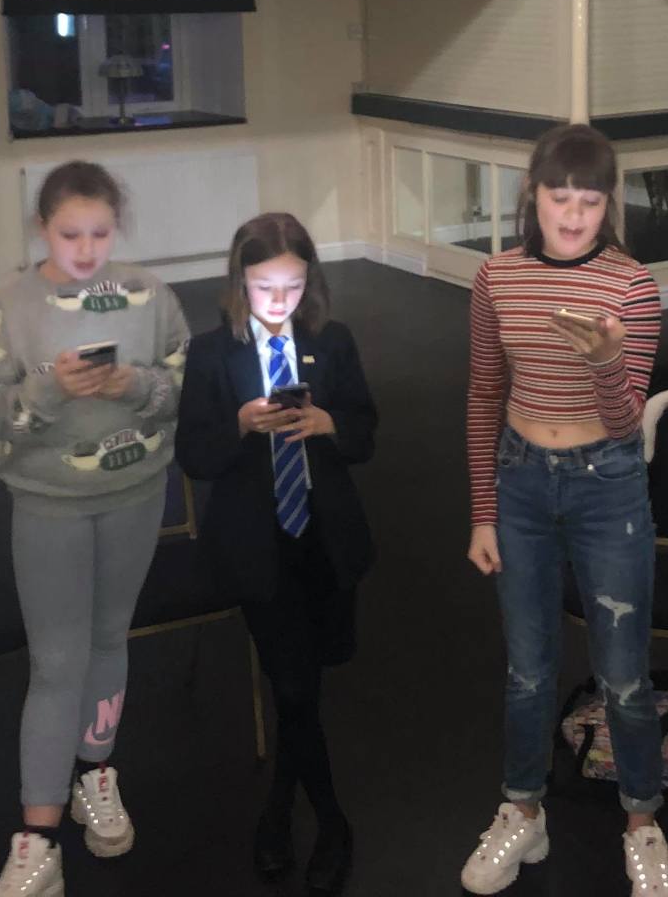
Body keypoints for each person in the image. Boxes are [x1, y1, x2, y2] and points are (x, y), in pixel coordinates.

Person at [457, 123, 668, 897]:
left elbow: (625, 424)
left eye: (590, 201)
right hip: (520, 480)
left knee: (623, 676)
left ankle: (642, 823)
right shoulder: (497, 278)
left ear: (609, 204)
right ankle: (523, 810)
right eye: (561, 198)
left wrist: (606, 360)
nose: (575, 215)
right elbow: (484, 392)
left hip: (606, 483)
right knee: (528, 670)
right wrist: (483, 510)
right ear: (533, 195)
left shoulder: (632, 286)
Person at [0, 160, 190, 897]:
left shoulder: (151, 296)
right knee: (56, 661)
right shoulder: (6, 309)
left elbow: (180, 389)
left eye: (100, 233)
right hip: (48, 505)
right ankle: (37, 835)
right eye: (70, 234)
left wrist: (136, 384)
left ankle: (96, 773)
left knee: (108, 639)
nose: (87, 249)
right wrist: (49, 390)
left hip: (137, 493)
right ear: (42, 228)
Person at [178, 212, 376, 897]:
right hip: (257, 545)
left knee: (306, 685)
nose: (279, 300)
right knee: (291, 684)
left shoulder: (332, 341)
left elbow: (365, 433)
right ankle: (330, 819)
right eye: (265, 286)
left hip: (325, 539)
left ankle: (280, 804)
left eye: (292, 286)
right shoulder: (213, 353)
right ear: (240, 282)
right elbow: (194, 454)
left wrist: (327, 422)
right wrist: (239, 424)